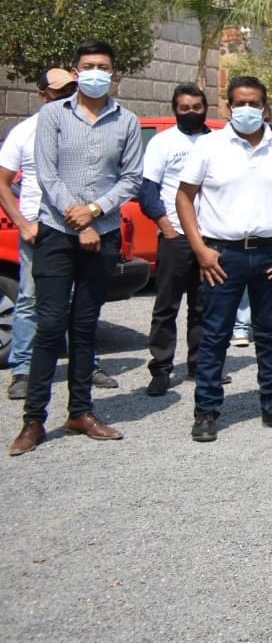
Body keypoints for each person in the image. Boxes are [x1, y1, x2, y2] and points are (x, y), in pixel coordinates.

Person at [9, 43, 141, 457]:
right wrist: (76, 217)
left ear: (114, 74)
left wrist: (96, 211)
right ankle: (34, 420)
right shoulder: (52, 115)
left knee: (85, 326)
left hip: (102, 234)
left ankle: (80, 412)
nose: (96, 73)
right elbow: (45, 172)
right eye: (88, 67)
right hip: (55, 232)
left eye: (103, 67)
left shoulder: (128, 122)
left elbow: (132, 177)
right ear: (76, 71)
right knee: (49, 326)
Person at [175, 75, 272, 444]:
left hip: (271, 254)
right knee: (215, 334)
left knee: (269, 334)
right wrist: (200, 249)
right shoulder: (209, 146)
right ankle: (206, 411)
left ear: (266, 107)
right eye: (240, 103)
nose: (247, 109)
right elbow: (184, 198)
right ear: (228, 106)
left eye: (254, 103)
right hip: (223, 255)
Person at [0, 68, 78, 403]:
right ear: (42, 94)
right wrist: (22, 223)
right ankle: (22, 369)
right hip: (38, 229)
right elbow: (3, 182)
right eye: (59, 92)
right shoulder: (24, 132)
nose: (65, 97)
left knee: (79, 302)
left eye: (70, 91)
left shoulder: (82, 128)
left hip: (75, 227)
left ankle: (87, 364)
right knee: (30, 300)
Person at [138, 84, 212, 396]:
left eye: (197, 107)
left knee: (204, 305)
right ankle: (161, 369)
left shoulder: (218, 142)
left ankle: (200, 365)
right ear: (175, 109)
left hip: (211, 237)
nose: (192, 112)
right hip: (177, 237)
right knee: (167, 305)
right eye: (185, 108)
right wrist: (165, 226)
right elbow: (147, 190)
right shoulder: (162, 143)